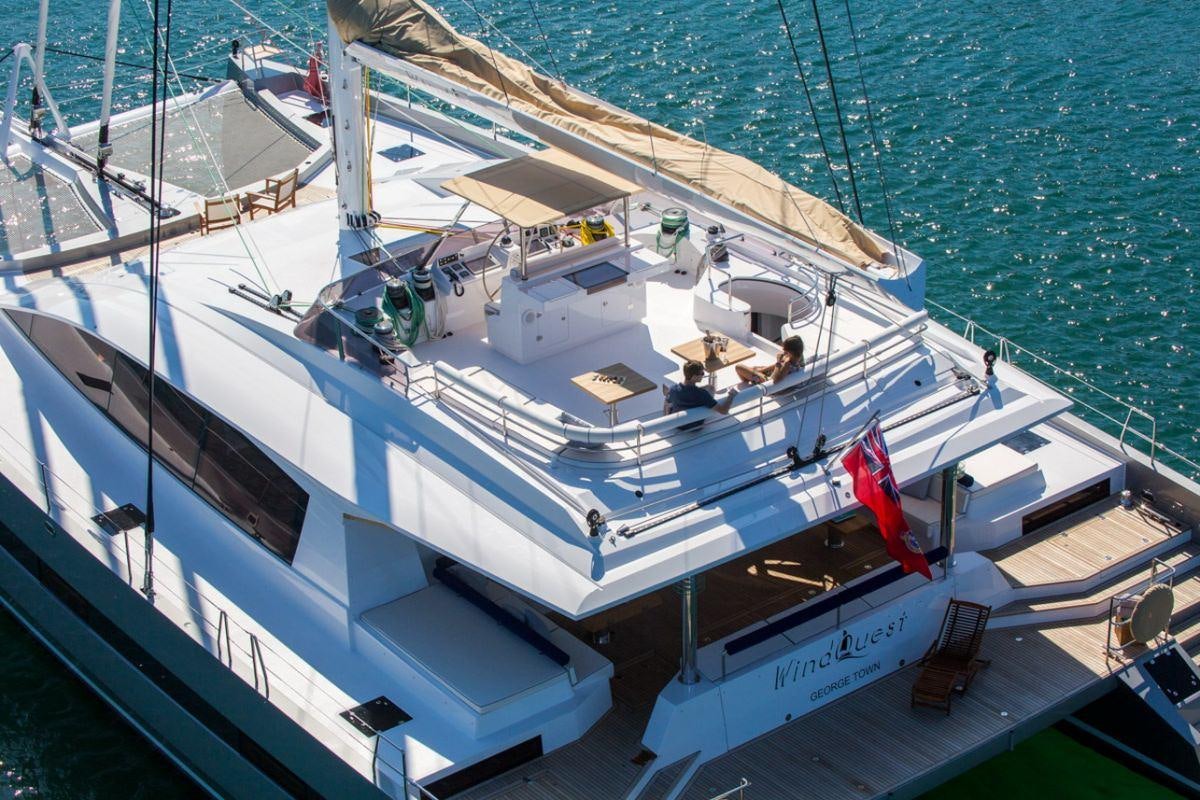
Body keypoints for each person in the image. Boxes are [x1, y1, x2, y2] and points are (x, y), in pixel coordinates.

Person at [667, 360, 738, 429]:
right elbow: (723, 411)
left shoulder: (672, 389)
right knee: (710, 390)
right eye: (702, 373)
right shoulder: (701, 394)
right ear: (694, 377)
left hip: (678, 425)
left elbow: (667, 404)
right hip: (695, 426)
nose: (703, 375)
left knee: (710, 387)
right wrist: (731, 395)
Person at [735, 335, 805, 385]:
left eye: (785, 350)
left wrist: (778, 361)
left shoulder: (787, 365)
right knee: (754, 368)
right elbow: (779, 367)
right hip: (773, 375)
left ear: (791, 352)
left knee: (739, 367)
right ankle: (751, 378)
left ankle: (749, 384)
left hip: (768, 382)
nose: (783, 351)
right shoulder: (798, 356)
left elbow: (773, 381)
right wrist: (761, 370)